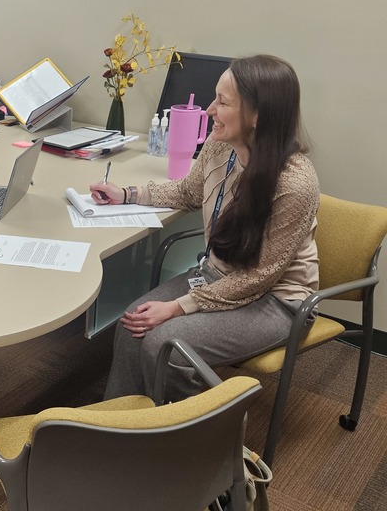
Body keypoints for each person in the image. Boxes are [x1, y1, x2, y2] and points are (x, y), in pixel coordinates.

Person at [88, 54, 320, 401]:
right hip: (217, 276)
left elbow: (259, 278)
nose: (210, 110)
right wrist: (127, 193)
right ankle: (118, 430)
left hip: (277, 301)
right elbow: (187, 191)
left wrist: (179, 306)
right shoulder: (218, 145)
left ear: (258, 115)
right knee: (133, 323)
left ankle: (185, 443)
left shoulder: (294, 183)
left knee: (166, 346)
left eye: (223, 102)